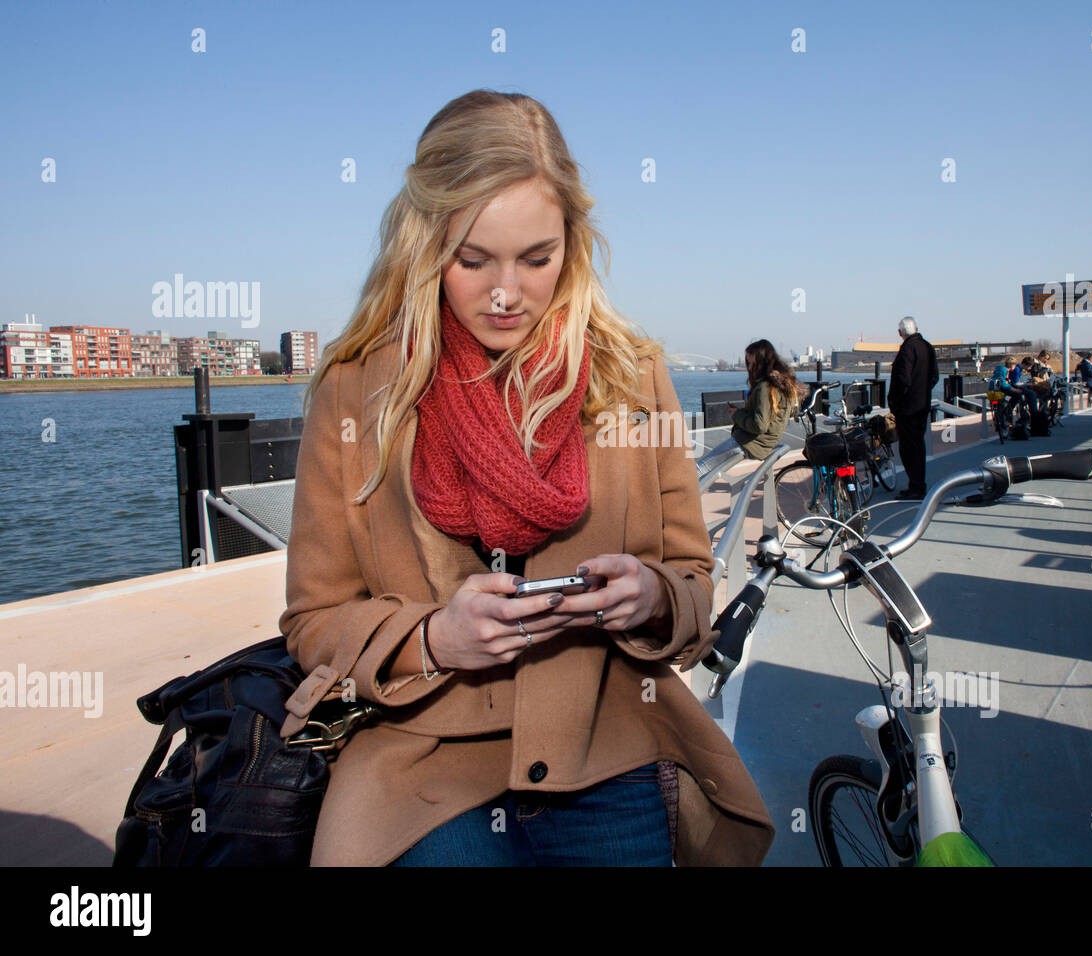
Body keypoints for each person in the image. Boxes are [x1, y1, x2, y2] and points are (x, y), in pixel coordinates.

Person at [278, 90, 774, 867]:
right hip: (419, 765)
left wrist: (650, 597)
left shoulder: (632, 376)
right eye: (472, 260)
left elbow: (692, 583)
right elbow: (314, 619)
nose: (506, 293)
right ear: (424, 244)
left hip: (606, 750)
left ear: (572, 245)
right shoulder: (354, 389)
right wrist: (434, 638)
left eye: (536, 259)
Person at [887, 315, 938, 499]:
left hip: (907, 408)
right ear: (916, 329)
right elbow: (935, 376)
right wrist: (922, 391)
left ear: (900, 333)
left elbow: (902, 380)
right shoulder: (927, 347)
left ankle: (916, 487)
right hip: (922, 405)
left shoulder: (907, 349)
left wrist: (894, 402)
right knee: (918, 445)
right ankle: (919, 484)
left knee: (908, 448)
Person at [727, 339, 804, 459]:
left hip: (750, 444)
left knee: (700, 467)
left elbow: (759, 425)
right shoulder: (781, 384)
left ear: (762, 363)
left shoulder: (766, 387)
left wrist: (736, 414)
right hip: (761, 444)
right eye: (748, 364)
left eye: (752, 364)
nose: (749, 368)